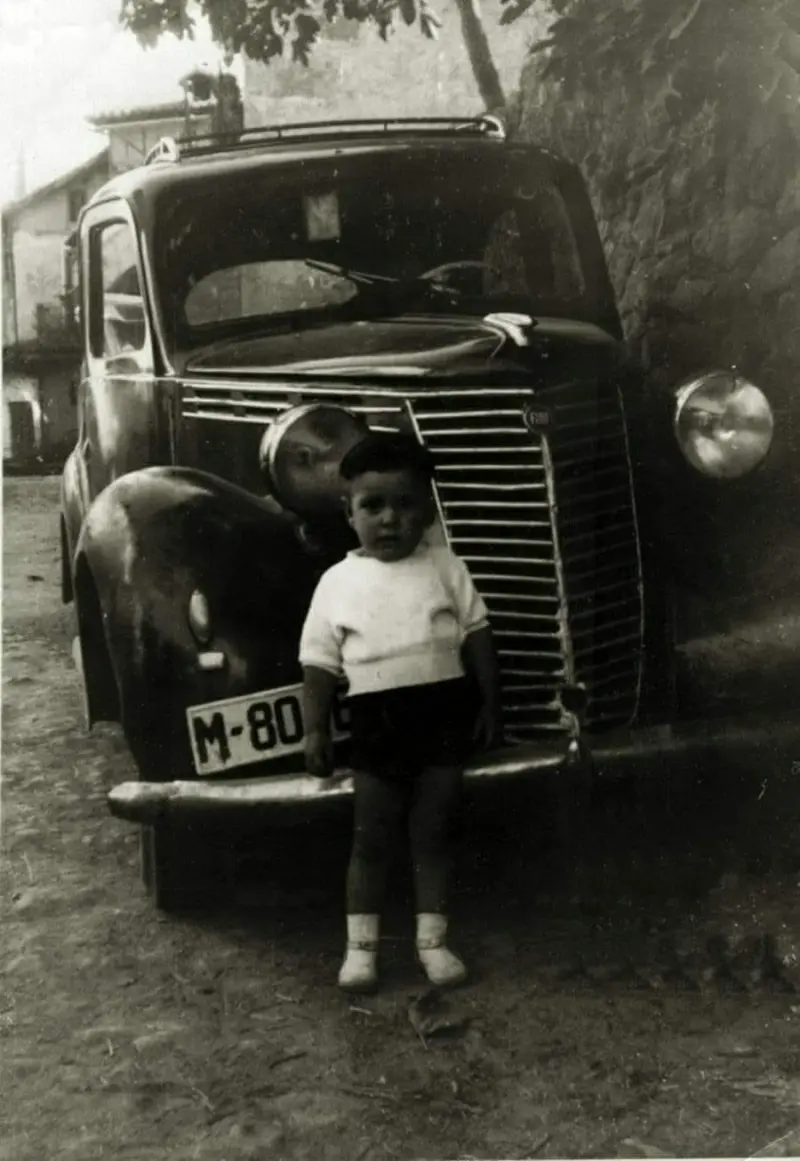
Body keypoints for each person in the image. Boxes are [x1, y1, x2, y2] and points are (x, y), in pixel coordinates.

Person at [299, 431, 502, 993]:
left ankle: (432, 943)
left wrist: (490, 703)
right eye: (373, 506)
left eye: (406, 504)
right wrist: (315, 728)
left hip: (442, 717)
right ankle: (360, 950)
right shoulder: (336, 582)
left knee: (433, 833)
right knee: (372, 838)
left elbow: (478, 638)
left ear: (428, 510)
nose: (390, 520)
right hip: (376, 725)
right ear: (348, 511)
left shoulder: (444, 567)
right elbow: (317, 664)